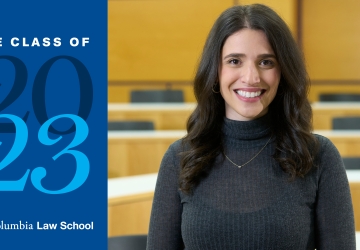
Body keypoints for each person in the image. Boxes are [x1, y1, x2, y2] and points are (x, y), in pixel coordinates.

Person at [146, 4, 355, 249]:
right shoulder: (179, 158)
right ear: (215, 71)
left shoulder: (318, 155)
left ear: (283, 72)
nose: (251, 77)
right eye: (234, 61)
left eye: (266, 62)